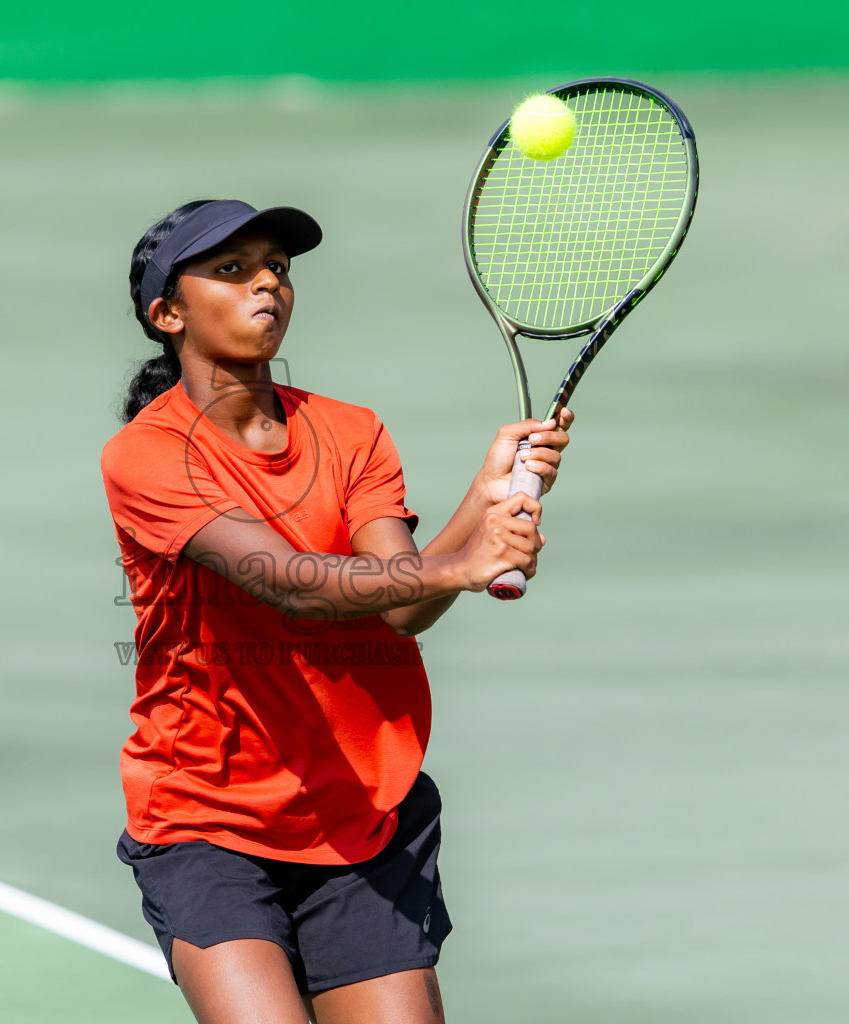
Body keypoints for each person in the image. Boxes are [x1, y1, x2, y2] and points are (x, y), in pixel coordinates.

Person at [100, 199, 573, 1024]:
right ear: (167, 314)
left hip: (362, 818)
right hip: (209, 820)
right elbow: (288, 581)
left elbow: (396, 603)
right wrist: (466, 561)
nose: (267, 286)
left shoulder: (350, 432)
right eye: (233, 270)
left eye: (277, 268)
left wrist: (483, 498)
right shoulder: (147, 453)